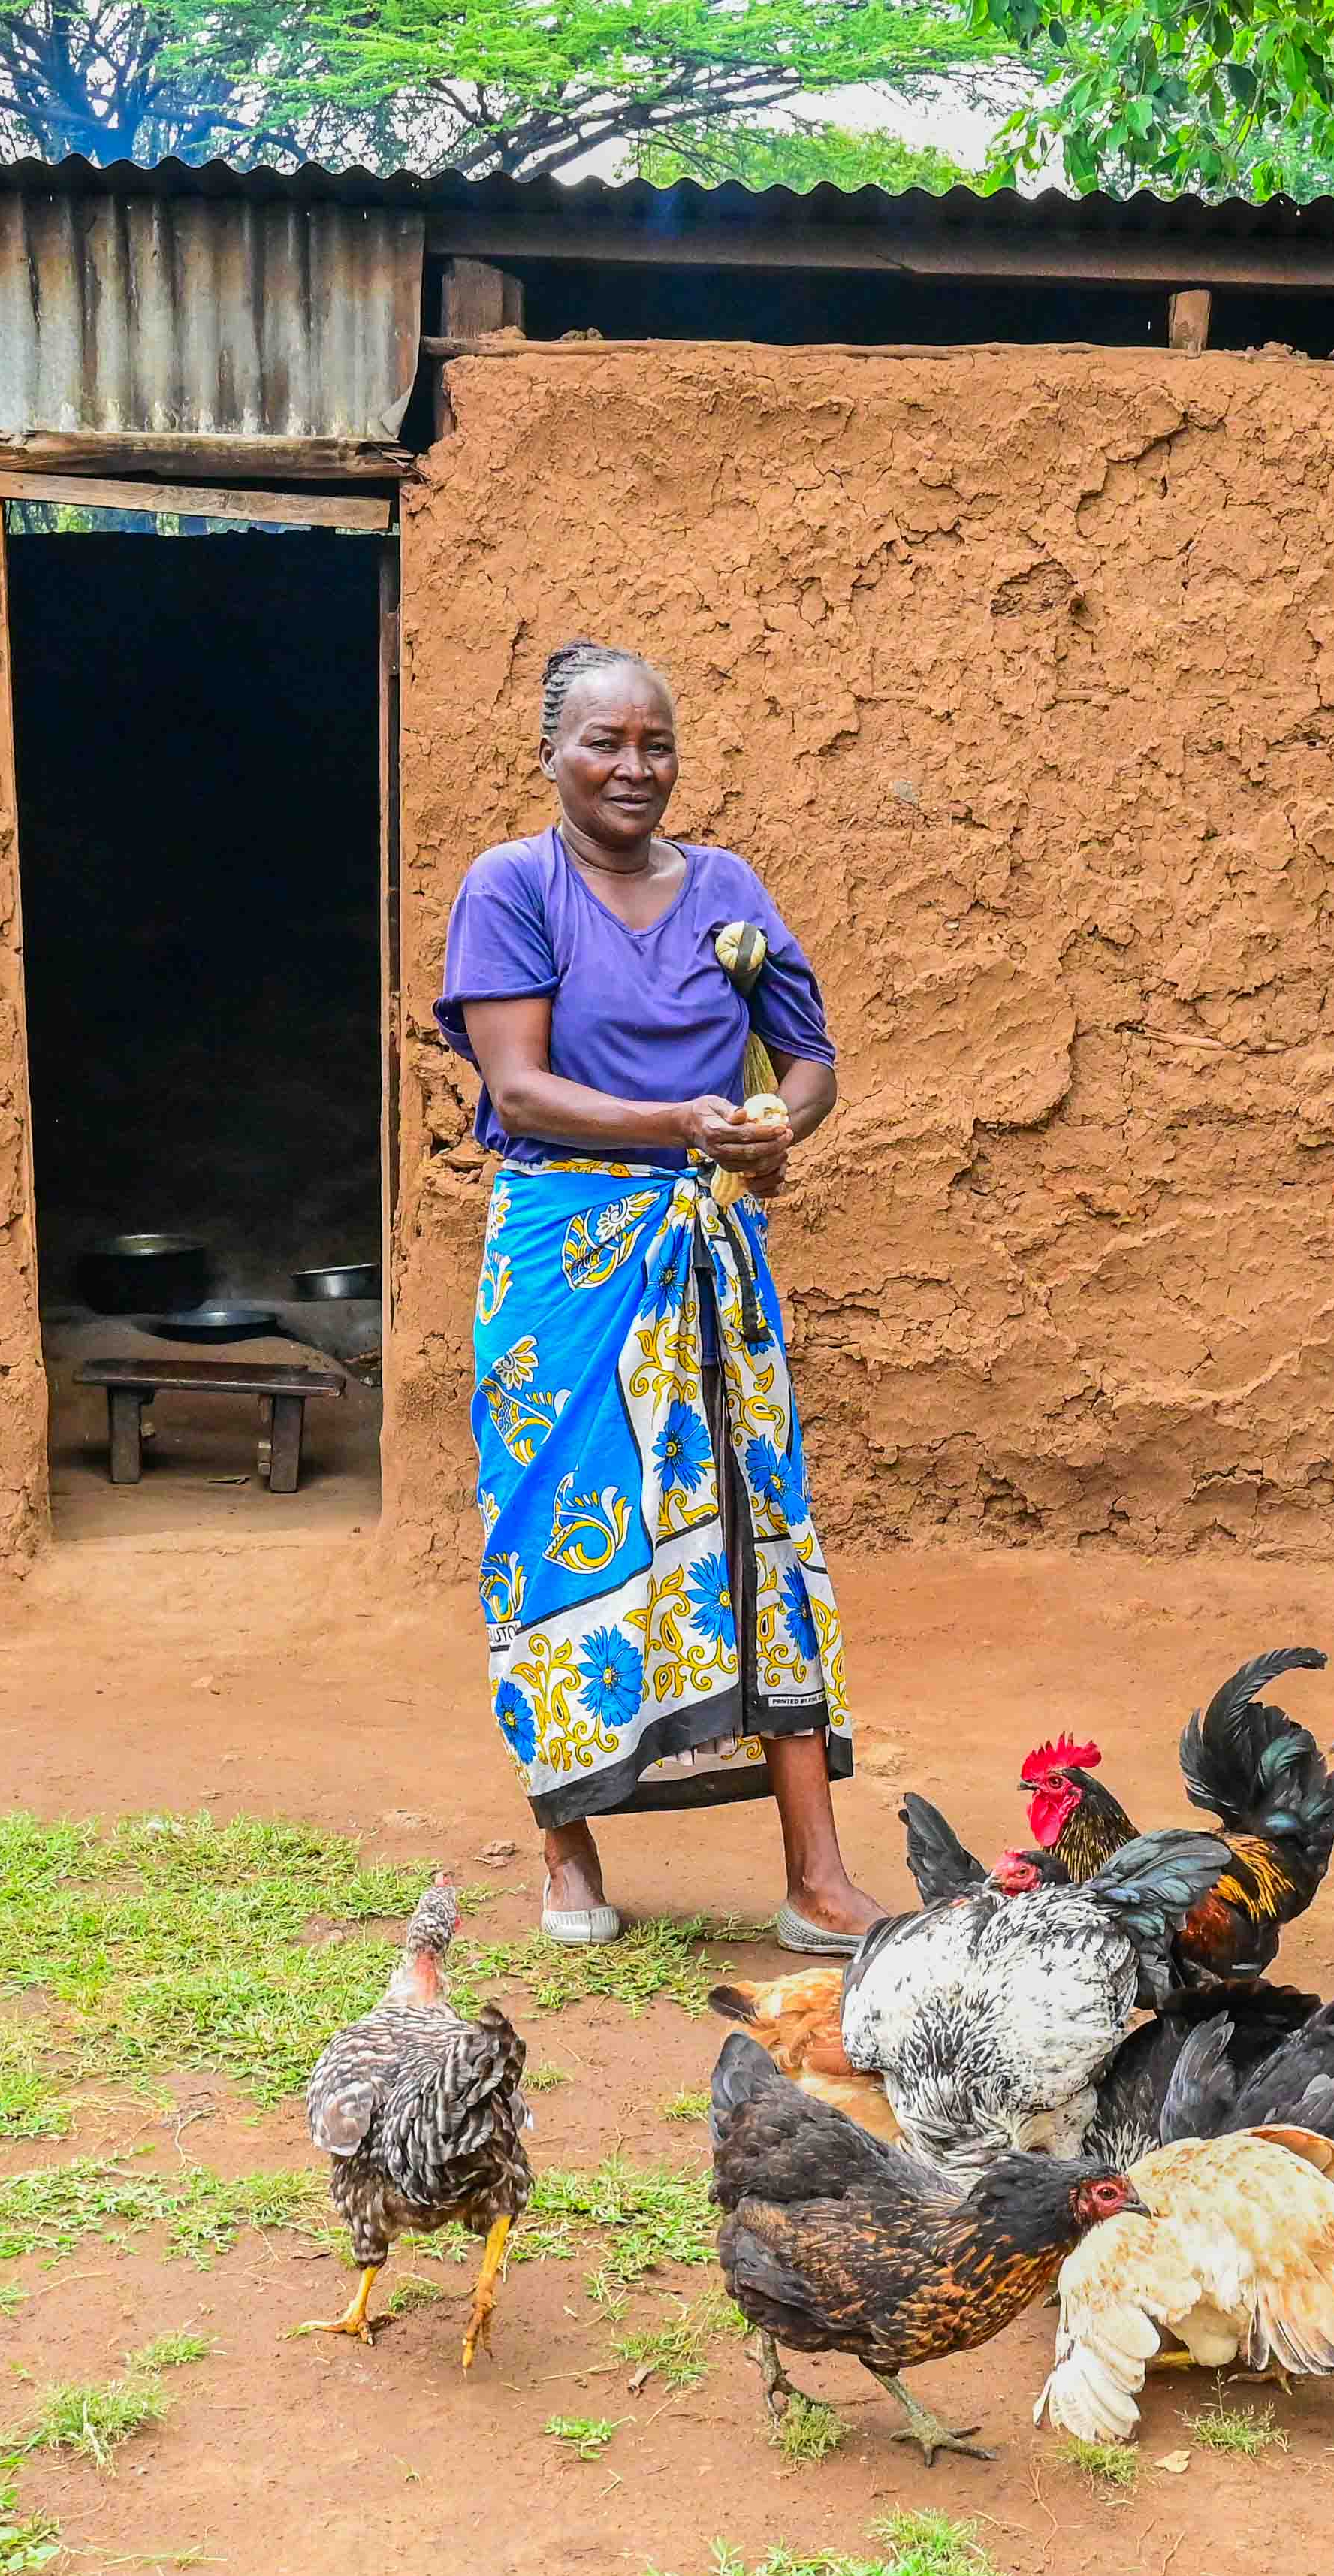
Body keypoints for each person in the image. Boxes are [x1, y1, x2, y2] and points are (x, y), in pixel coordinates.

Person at [431, 640, 880, 1954]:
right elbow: (518, 1090)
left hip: (710, 1251)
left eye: (656, 746)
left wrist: (770, 1126)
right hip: (565, 1258)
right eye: (604, 744)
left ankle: (816, 1877)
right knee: (552, 1531)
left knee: (760, 1525)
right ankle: (567, 1849)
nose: (634, 768)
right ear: (552, 754)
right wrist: (682, 1124)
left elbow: (811, 1059)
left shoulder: (730, 890)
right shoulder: (512, 886)